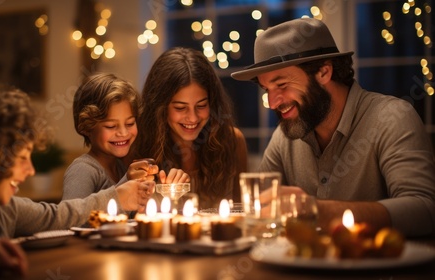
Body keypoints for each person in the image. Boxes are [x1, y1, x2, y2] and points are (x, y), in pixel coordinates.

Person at [231, 18, 435, 237]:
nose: (272, 102)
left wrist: (318, 210)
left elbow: (425, 211)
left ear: (323, 72)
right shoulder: (284, 136)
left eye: (282, 85)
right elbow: (260, 211)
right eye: (266, 89)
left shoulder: (391, 118)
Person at [0, 87, 155, 276]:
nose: (30, 170)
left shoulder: (5, 209)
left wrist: (119, 196)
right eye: (22, 158)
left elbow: (60, 215)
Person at [134, 47, 248, 209]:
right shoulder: (140, 145)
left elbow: (241, 210)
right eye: (180, 108)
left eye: (201, 105)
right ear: (160, 108)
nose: (193, 118)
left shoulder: (232, 141)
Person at [63, 73, 189, 200]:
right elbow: (71, 217)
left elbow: (133, 214)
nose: (123, 133)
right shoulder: (82, 170)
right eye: (111, 126)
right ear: (86, 127)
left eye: (130, 123)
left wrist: (167, 190)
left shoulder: (121, 167)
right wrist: (127, 182)